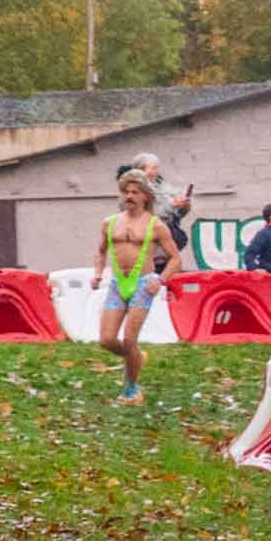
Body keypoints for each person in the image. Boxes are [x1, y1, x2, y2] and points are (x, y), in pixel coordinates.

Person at [92, 171, 182, 405]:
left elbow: (175, 259)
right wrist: (98, 273)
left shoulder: (156, 225)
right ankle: (136, 357)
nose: (129, 196)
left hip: (143, 284)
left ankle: (131, 389)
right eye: (126, 192)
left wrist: (160, 280)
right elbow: (100, 252)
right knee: (106, 340)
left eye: (135, 192)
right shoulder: (110, 223)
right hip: (117, 284)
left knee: (129, 340)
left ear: (145, 196)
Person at [129, 152, 191, 272]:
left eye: (156, 168)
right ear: (140, 170)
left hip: (168, 242)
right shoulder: (133, 190)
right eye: (152, 168)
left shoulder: (164, 186)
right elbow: (146, 213)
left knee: (171, 271)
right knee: (153, 275)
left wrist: (183, 206)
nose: (155, 172)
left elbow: (177, 214)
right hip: (148, 246)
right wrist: (172, 205)